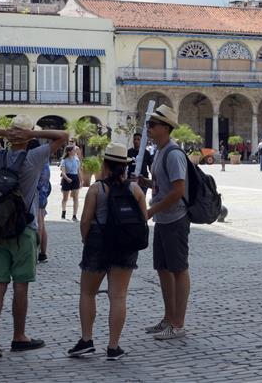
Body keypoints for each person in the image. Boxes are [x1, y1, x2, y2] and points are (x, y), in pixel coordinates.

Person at [0, 115, 68, 358]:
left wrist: (6, 131)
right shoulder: (33, 157)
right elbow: (64, 136)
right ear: (28, 136)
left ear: (11, 136)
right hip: (24, 231)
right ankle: (19, 336)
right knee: (21, 286)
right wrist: (32, 135)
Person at [68, 142, 147, 361]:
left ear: (105, 164)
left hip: (98, 242)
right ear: (125, 166)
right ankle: (113, 346)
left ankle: (86, 340)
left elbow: (85, 221)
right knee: (119, 296)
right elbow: (143, 220)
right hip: (126, 246)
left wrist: (87, 240)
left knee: (87, 292)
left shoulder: (96, 189)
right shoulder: (135, 189)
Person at [142, 105, 191, 341]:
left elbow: (178, 190)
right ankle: (168, 318)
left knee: (178, 270)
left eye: (153, 124)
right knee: (162, 269)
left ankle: (178, 324)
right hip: (164, 219)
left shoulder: (173, 153)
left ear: (165, 127)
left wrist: (151, 211)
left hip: (175, 219)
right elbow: (165, 186)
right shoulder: (159, 151)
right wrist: (147, 183)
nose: (149, 127)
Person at [35, 143, 52, 264]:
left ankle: (34, 253)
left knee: (39, 225)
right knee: (42, 225)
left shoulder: (37, 162)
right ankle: (42, 253)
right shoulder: (45, 161)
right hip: (44, 193)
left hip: (37, 195)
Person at [60, 145, 82, 221]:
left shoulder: (77, 160)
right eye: (73, 150)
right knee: (65, 198)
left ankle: (74, 215)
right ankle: (63, 211)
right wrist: (67, 178)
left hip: (75, 178)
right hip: (67, 178)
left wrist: (81, 181)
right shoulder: (64, 160)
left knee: (76, 198)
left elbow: (79, 171)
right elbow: (63, 172)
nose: (75, 151)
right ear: (69, 152)